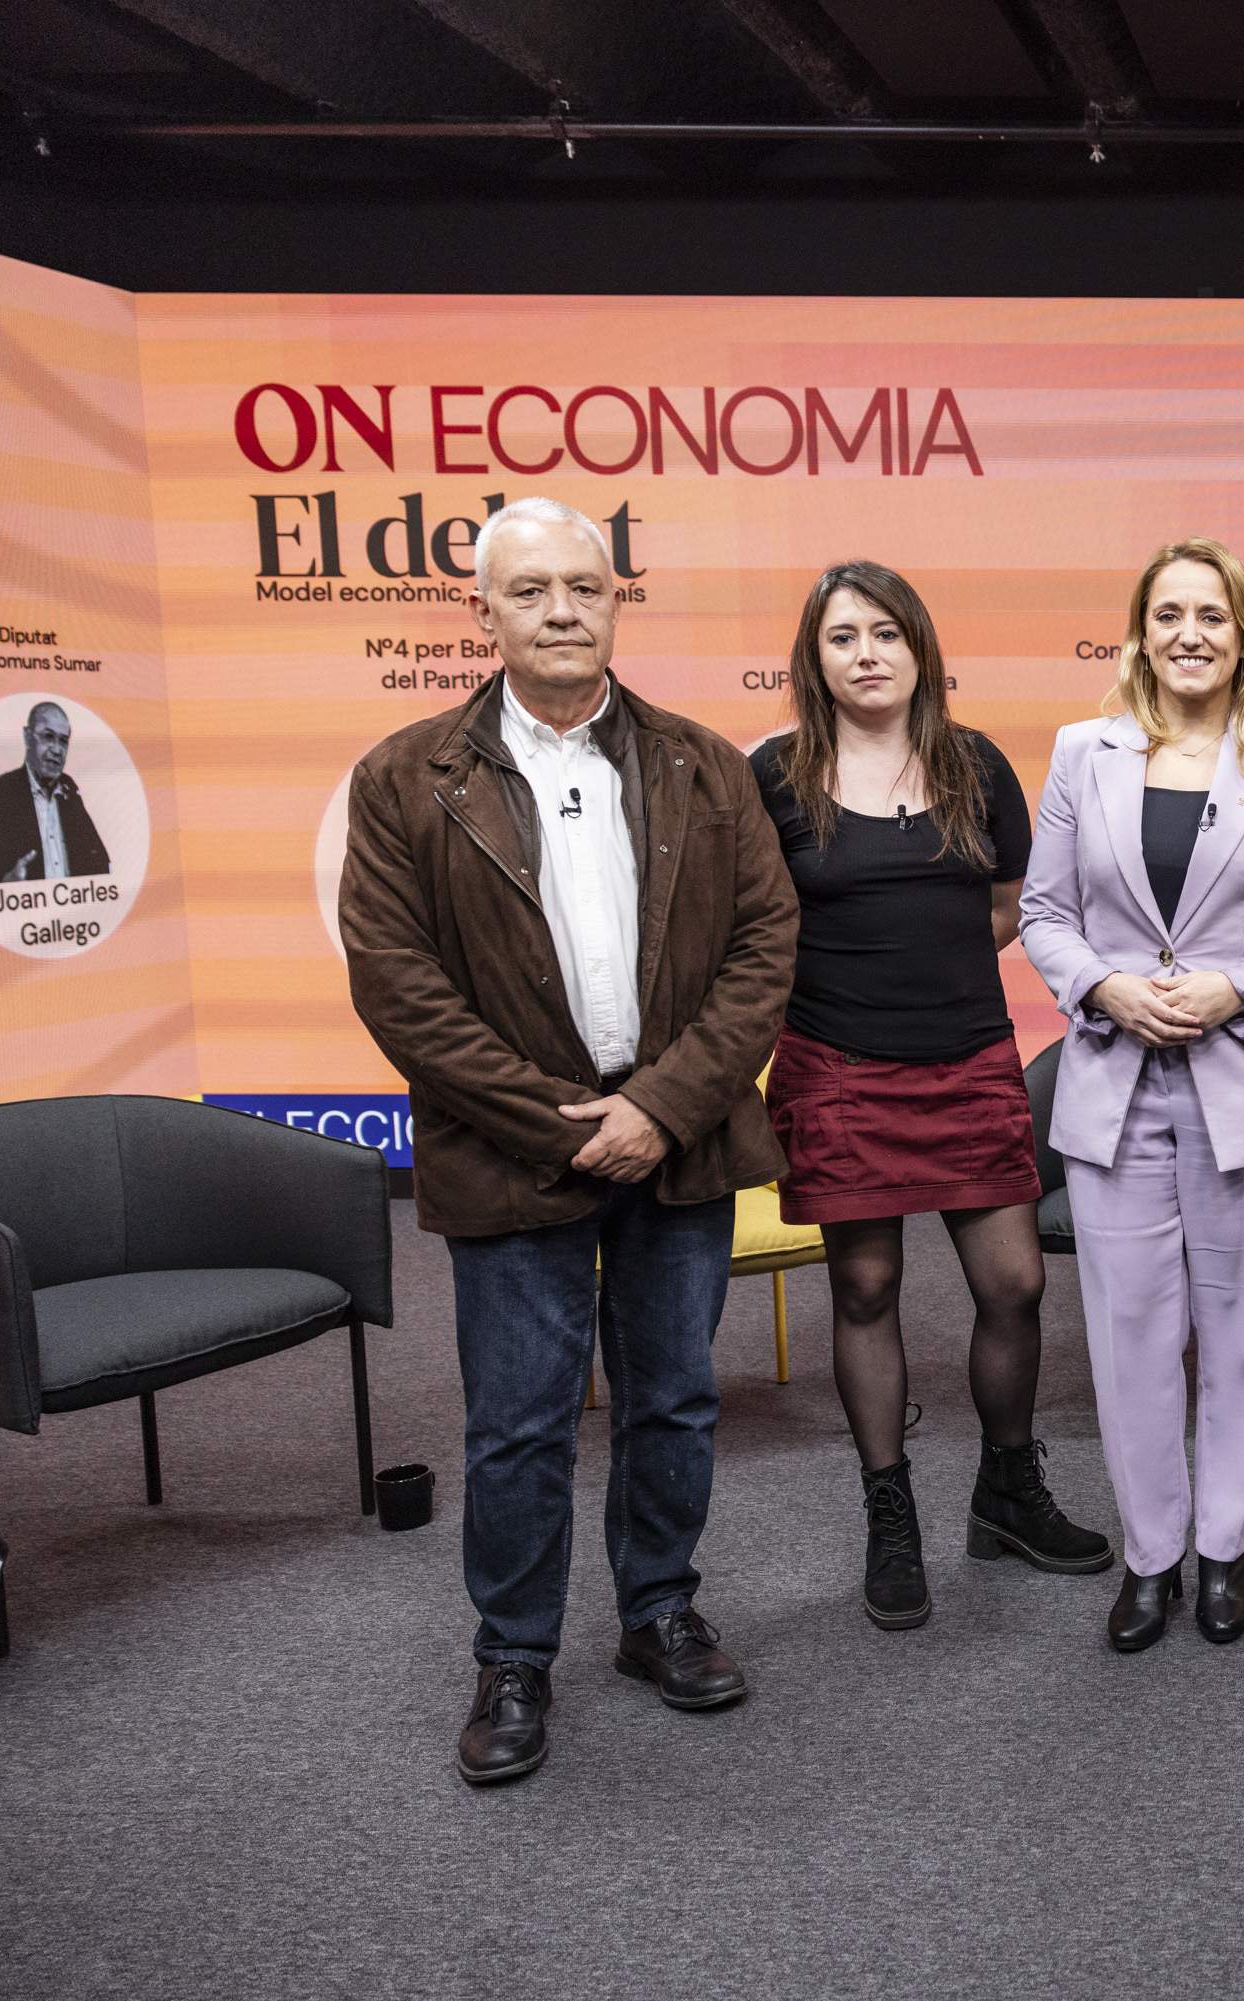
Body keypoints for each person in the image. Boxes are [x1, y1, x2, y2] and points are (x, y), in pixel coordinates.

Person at [340, 497, 798, 1787]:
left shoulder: (707, 766)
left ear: (616, 602)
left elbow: (764, 954)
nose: (559, 611)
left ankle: (658, 1612)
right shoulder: (402, 779)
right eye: (530, 590)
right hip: (512, 1154)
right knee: (519, 1425)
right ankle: (515, 1658)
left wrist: (660, 1107)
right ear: (481, 612)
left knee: (673, 1402)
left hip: (681, 1145)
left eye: (583, 588)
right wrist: (562, 1126)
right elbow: (398, 985)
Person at [752, 561, 1109, 1634]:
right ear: (814, 660)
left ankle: (1007, 1491)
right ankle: (889, 1510)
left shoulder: (972, 763)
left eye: (886, 634)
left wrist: (935, 961)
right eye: (842, 637)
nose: (867, 654)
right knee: (865, 1287)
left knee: (1014, 1283)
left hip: (966, 1060)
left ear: (920, 650)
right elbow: (753, 923)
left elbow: (1012, 901)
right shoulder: (774, 776)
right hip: (838, 1066)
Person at [1021, 540, 1244, 1651]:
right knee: (1131, 1339)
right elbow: (1044, 916)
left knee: (1241, 1338)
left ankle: (1224, 1547)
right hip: (1114, 1092)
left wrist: (1235, 990)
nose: (1190, 634)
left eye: (1212, 614)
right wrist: (1107, 984)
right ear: (1141, 631)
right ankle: (1150, 1557)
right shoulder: (1082, 753)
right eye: (1168, 614)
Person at [0, 701, 112, 882]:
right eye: (48, 737)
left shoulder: (70, 790)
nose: (57, 750)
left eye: (63, 741)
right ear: (27, 737)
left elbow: (100, 861)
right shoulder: (2, 792)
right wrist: (7, 883)